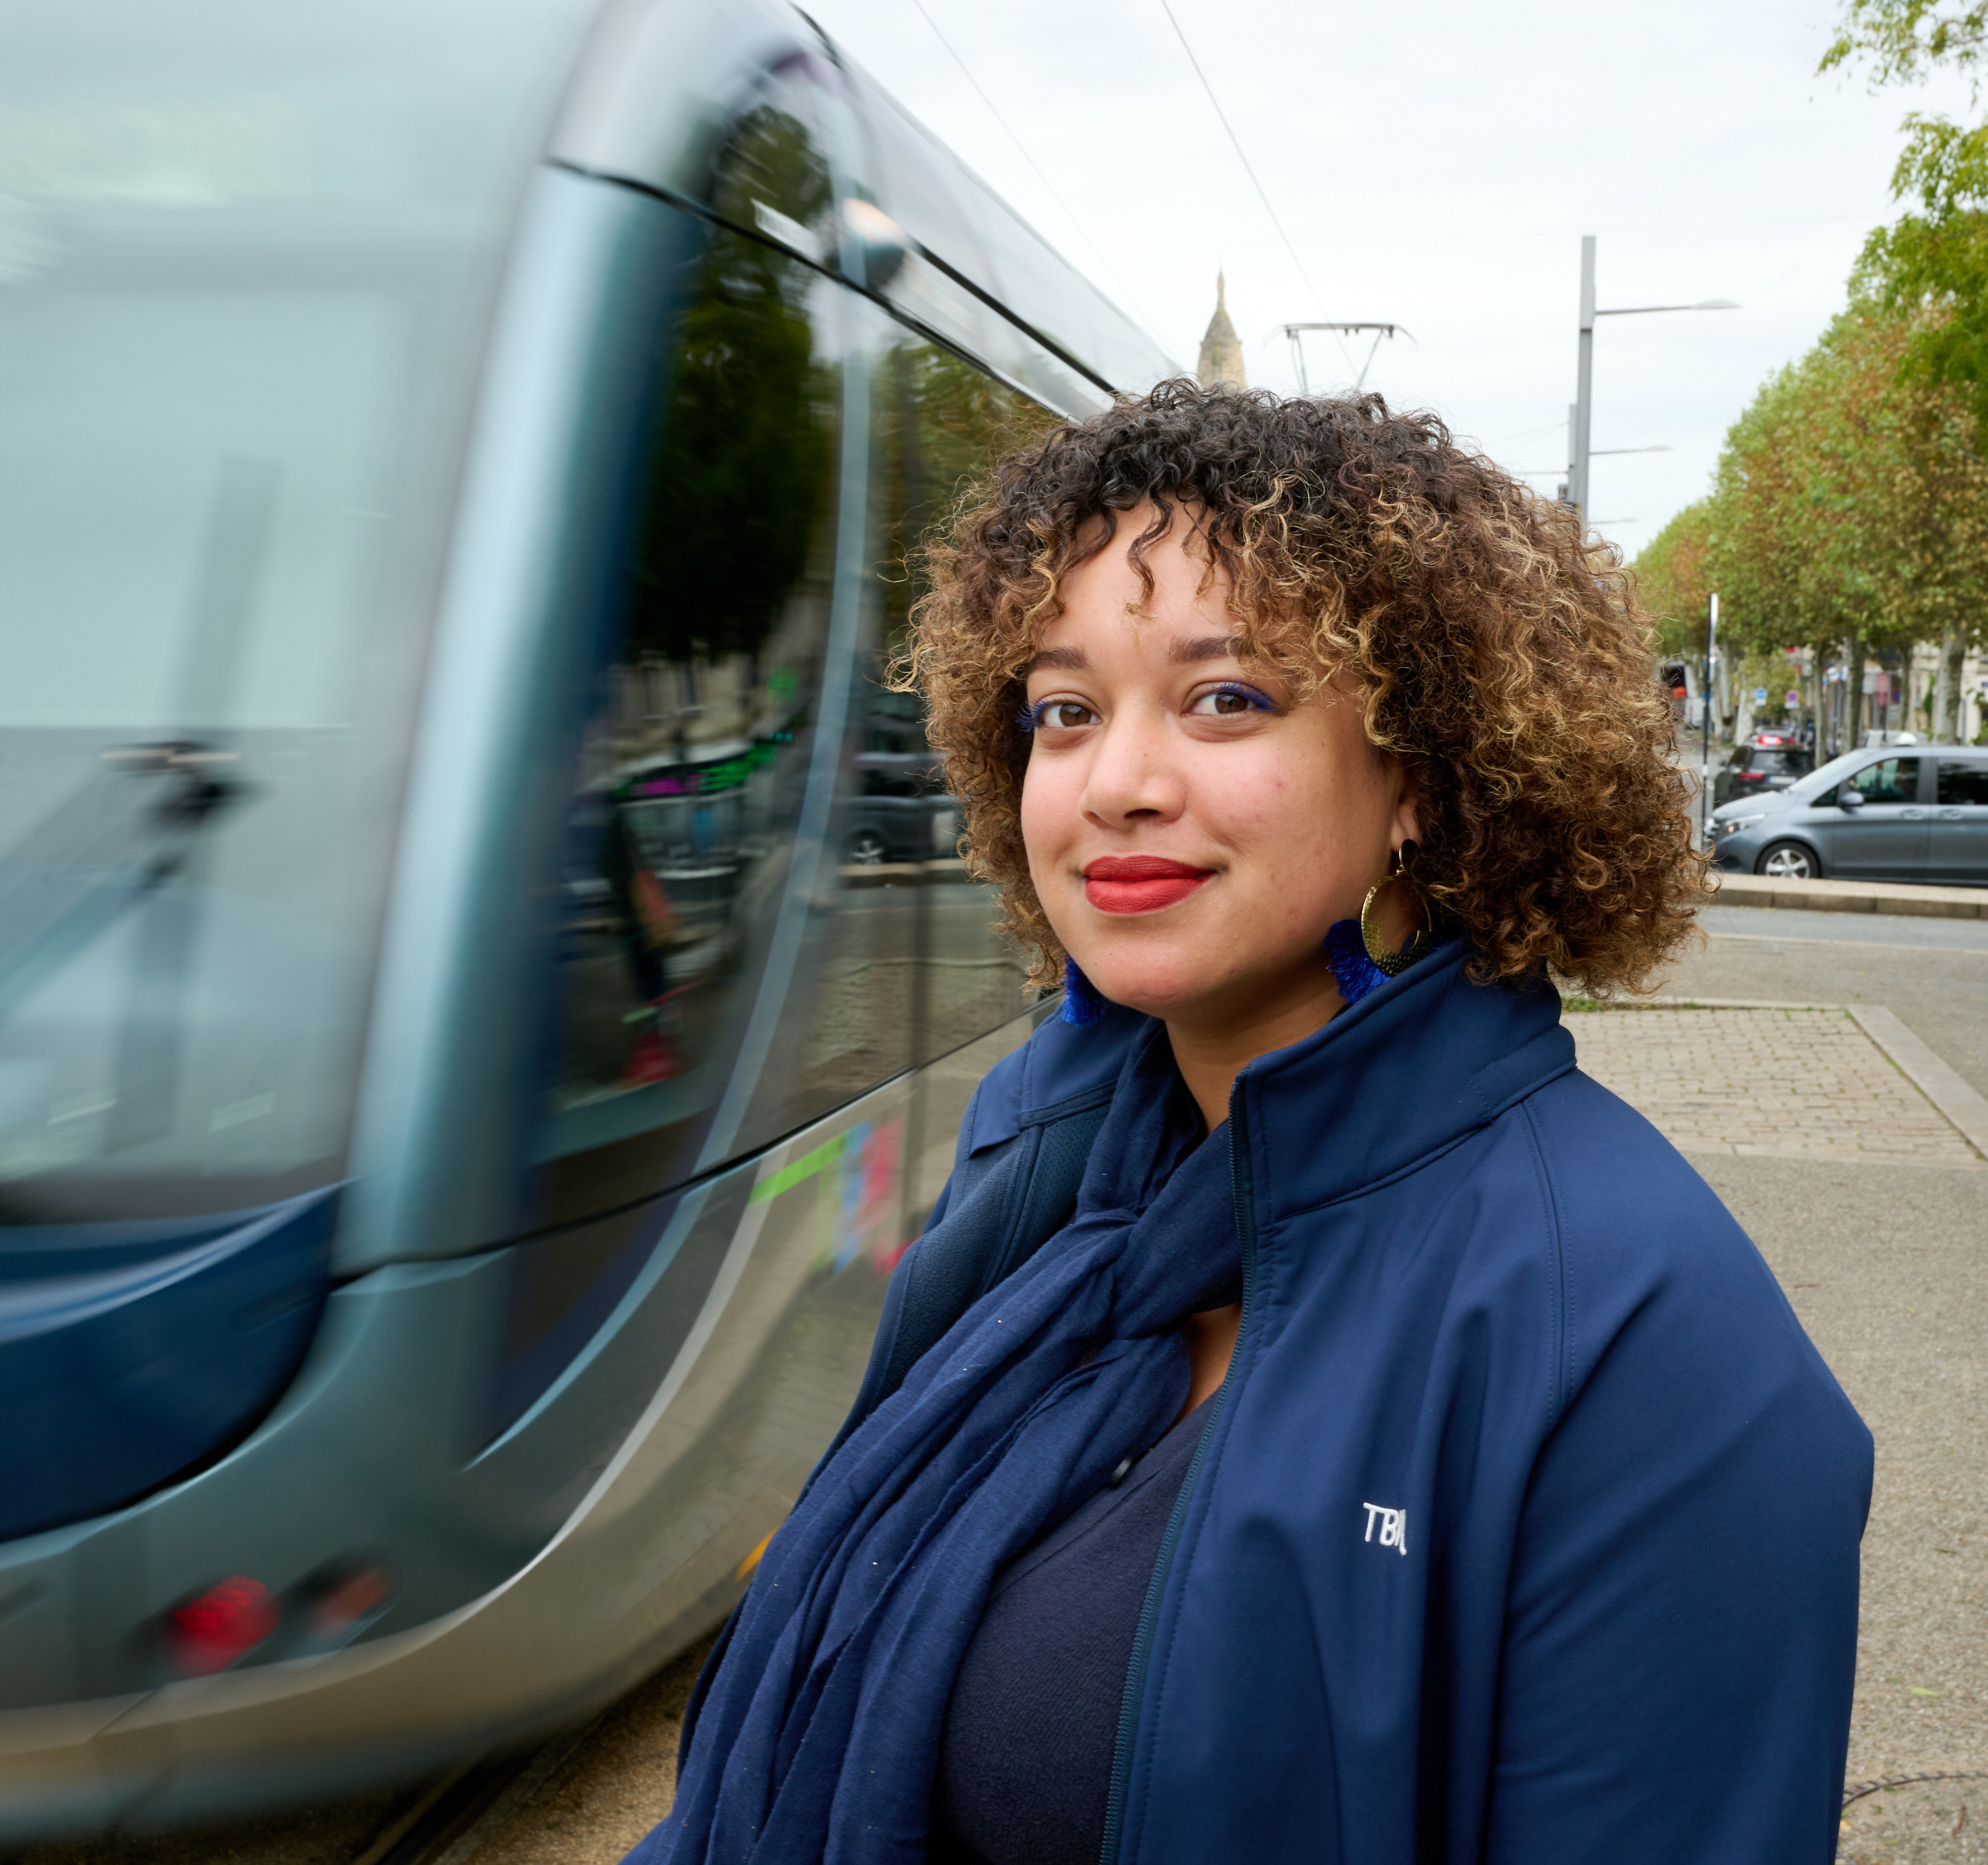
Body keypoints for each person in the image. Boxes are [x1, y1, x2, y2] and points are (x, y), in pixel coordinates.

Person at [634, 385, 1873, 1865]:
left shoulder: (1635, 1328)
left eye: (1228, 697)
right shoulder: (1046, 1158)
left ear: (1421, 772)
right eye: (1064, 710)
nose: (1118, 784)